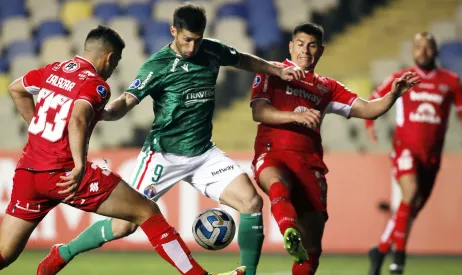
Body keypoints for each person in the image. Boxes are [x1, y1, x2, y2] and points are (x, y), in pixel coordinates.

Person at [37, 3, 305, 275]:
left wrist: (277, 70)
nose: (192, 47)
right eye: (187, 40)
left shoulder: (211, 50)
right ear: (173, 31)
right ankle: (64, 251)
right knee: (125, 224)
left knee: (251, 202)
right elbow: (127, 100)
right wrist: (102, 112)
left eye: (197, 40)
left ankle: (249, 273)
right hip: (163, 155)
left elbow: (241, 59)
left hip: (203, 154)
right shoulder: (157, 65)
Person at [0, 25, 244, 275]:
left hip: (28, 172)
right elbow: (78, 116)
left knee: (2, 253)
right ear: (109, 57)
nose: (114, 70)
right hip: (64, 173)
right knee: (147, 212)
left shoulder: (54, 69)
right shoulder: (96, 84)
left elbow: (16, 89)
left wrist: (37, 128)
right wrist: (78, 164)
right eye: (116, 63)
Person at [249, 23, 420, 275]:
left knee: (313, 249)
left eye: (312, 45)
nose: (305, 51)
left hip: (309, 163)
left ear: (321, 51)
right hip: (273, 152)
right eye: (300, 44)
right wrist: (295, 117)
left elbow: (368, 108)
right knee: (277, 183)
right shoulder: (271, 71)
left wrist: (392, 96)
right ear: (290, 46)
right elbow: (259, 111)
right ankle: (288, 230)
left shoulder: (327, 87)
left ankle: (296, 239)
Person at [366, 32, 462, 275]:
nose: (423, 52)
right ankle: (399, 258)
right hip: (404, 150)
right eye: (418, 47)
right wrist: (370, 126)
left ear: (436, 51)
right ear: (412, 51)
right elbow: (374, 99)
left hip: (431, 157)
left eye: (428, 47)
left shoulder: (450, 81)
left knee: (411, 210)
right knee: (410, 193)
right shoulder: (401, 77)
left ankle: (381, 249)